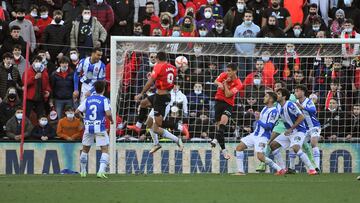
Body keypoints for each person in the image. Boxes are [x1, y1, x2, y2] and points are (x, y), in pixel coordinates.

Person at [127, 52, 183, 154]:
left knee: (156, 127)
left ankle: (177, 137)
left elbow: (150, 81)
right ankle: (141, 128)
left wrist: (141, 93)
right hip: (161, 95)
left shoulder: (158, 66)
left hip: (162, 98)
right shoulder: (173, 68)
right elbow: (169, 82)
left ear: (157, 58)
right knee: (144, 108)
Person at [269, 88, 317, 175]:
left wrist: (291, 128)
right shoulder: (279, 106)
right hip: (289, 132)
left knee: (295, 148)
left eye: (279, 94)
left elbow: (301, 117)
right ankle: (282, 169)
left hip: (299, 131)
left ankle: (312, 169)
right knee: (273, 145)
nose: (277, 95)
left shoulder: (290, 105)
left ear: (284, 97)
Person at [234, 92, 283, 175]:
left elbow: (269, 127)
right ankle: (241, 171)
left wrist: (258, 120)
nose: (264, 97)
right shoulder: (264, 108)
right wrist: (259, 116)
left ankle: (280, 169)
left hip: (263, 137)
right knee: (239, 148)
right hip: (255, 134)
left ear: (271, 99)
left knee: (260, 157)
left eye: (266, 96)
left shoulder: (274, 111)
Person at [76, 80, 114, 178]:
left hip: (88, 127)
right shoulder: (104, 99)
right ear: (104, 89)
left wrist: (83, 118)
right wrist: (111, 120)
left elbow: (77, 111)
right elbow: (108, 113)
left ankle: (83, 171)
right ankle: (101, 172)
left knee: (85, 149)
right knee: (104, 149)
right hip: (100, 128)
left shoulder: (88, 99)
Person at [210, 63, 242, 160]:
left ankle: (215, 139)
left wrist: (224, 84)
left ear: (235, 71)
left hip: (228, 104)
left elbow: (228, 94)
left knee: (223, 122)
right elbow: (216, 81)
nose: (227, 72)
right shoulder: (224, 75)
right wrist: (219, 83)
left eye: (229, 71)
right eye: (227, 70)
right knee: (220, 129)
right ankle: (224, 151)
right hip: (218, 102)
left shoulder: (239, 83)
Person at [294, 85, 321, 173]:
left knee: (313, 143)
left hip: (314, 126)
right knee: (297, 145)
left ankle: (317, 167)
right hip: (304, 129)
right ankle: (309, 166)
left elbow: (313, 110)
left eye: (297, 91)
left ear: (302, 92)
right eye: (295, 91)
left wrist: (302, 107)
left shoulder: (308, 101)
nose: (296, 93)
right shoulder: (296, 102)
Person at [23, 56, 51, 120]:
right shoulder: (28, 71)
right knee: (26, 116)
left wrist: (48, 91)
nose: (38, 63)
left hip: (40, 98)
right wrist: (34, 78)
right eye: (36, 61)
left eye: (39, 61)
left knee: (40, 116)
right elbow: (25, 83)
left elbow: (47, 84)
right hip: (29, 98)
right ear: (32, 63)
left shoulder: (44, 72)